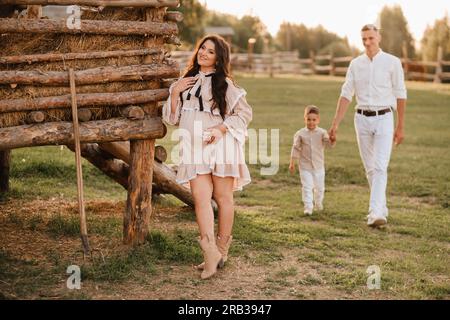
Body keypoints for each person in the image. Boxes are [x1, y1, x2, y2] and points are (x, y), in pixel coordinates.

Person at [162, 35, 252, 279]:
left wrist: (220, 129)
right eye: (202, 48)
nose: (204, 53)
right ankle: (209, 253)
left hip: (220, 144)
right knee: (201, 199)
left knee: (223, 198)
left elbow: (244, 114)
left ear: (218, 58)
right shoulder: (185, 82)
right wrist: (174, 93)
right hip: (193, 148)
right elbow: (171, 119)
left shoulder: (226, 84)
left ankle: (222, 249)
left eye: (210, 51)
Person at [328, 24, 407, 228]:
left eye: (371, 38)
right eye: (364, 38)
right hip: (361, 118)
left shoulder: (392, 62)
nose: (367, 42)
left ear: (379, 37)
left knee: (380, 166)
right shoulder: (356, 64)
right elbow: (346, 94)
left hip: (384, 118)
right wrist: (335, 124)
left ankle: (375, 212)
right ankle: (381, 207)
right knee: (370, 168)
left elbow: (401, 94)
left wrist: (400, 127)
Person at [289, 105, 335, 215]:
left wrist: (332, 139)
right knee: (307, 187)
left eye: (314, 120)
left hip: (319, 167)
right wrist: (292, 163)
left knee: (319, 188)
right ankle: (308, 207)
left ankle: (318, 203)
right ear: (304, 119)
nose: (311, 122)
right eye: (308, 119)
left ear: (318, 120)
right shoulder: (300, 134)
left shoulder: (322, 133)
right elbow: (295, 148)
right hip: (305, 166)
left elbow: (329, 145)